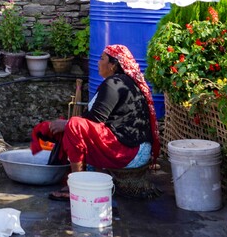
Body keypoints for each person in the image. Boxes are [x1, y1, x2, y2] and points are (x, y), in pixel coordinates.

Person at [33, 44, 160, 201]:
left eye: (102, 59)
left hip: (129, 152)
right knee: (69, 125)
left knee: (74, 125)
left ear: (113, 65)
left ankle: (77, 187)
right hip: (134, 149)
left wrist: (67, 125)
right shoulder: (122, 82)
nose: (98, 62)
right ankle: (84, 177)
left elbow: (94, 120)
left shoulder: (115, 84)